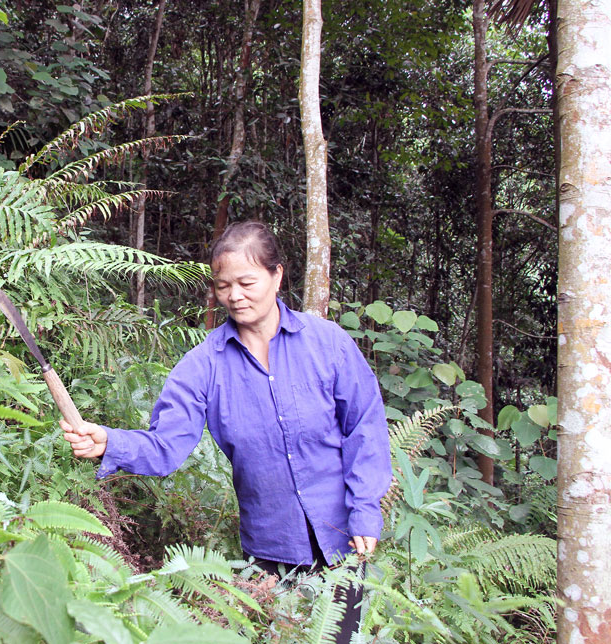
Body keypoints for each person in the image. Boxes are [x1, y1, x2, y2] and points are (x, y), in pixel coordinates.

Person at [62, 221, 392, 641]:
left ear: (277, 275)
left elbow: (364, 428)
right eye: (222, 285)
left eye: (246, 282)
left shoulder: (327, 343)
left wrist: (364, 508)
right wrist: (110, 441)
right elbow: (166, 446)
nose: (234, 296)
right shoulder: (204, 365)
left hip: (344, 538)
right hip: (271, 550)